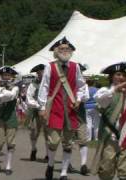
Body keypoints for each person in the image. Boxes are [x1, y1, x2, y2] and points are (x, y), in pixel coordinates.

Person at [37, 37, 89, 180]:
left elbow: (81, 85)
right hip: (55, 107)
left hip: (71, 109)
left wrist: (78, 99)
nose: (65, 51)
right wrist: (42, 106)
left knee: (68, 142)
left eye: (67, 49)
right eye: (61, 49)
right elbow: (44, 87)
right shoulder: (50, 67)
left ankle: (64, 172)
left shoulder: (75, 66)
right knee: (53, 141)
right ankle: (51, 164)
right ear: (56, 51)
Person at [93, 62, 126, 180]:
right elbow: (100, 100)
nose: (121, 77)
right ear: (111, 76)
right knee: (106, 170)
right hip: (110, 136)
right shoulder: (106, 91)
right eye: (118, 74)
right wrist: (116, 89)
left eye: (124, 75)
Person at [0, 66, 19, 175]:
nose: (6, 77)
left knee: (11, 143)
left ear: (12, 76)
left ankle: (8, 166)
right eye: (4, 76)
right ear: (1, 76)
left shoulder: (15, 87)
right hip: (0, 116)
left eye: (8, 75)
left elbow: (9, 96)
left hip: (11, 117)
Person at [26, 64, 48, 161]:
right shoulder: (33, 84)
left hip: (48, 111)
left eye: (42, 72)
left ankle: (48, 154)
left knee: (48, 133)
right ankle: (34, 149)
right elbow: (29, 99)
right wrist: (38, 106)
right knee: (34, 132)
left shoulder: (50, 84)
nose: (40, 75)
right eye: (39, 73)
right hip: (36, 112)